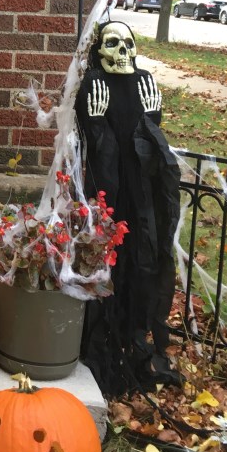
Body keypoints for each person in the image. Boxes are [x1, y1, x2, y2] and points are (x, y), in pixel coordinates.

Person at [75, 20, 181, 395]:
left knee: (141, 259)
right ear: (99, 51)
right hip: (109, 190)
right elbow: (96, 143)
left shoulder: (143, 82)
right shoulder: (95, 84)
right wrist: (96, 125)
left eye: (128, 44)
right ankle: (101, 341)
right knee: (106, 258)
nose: (123, 52)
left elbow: (151, 147)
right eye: (113, 44)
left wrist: (150, 121)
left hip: (140, 193)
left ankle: (133, 336)